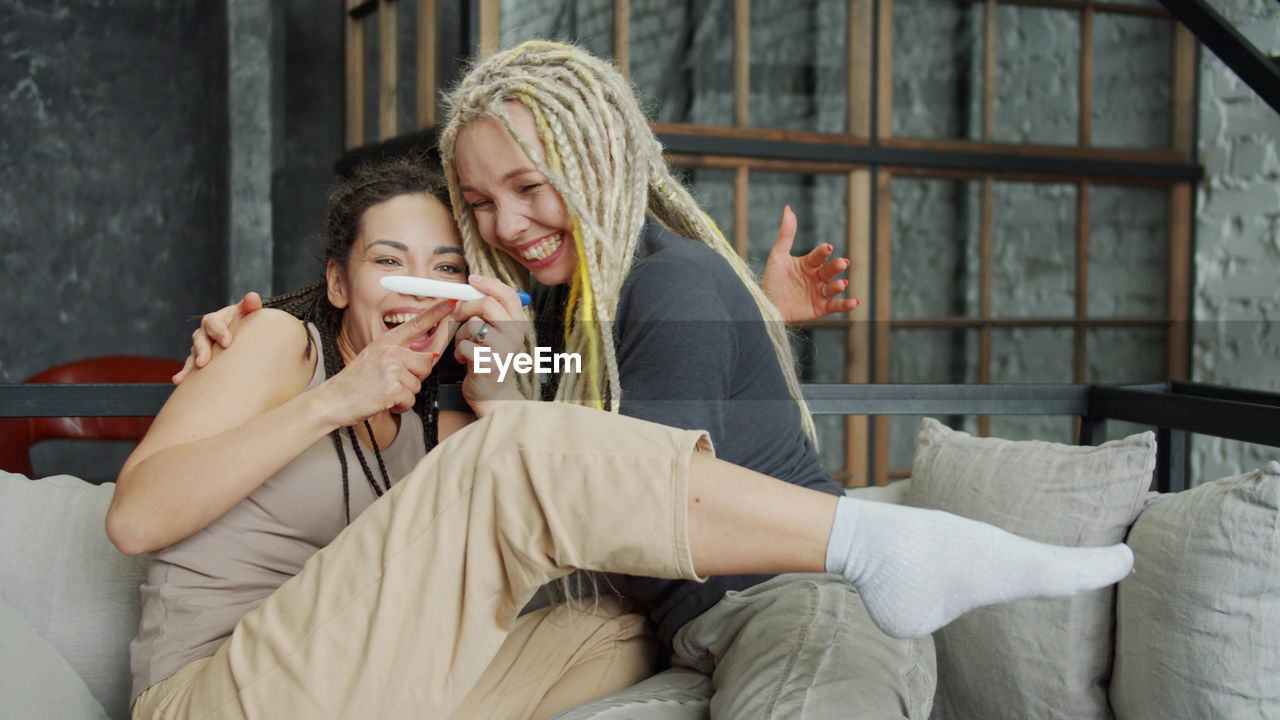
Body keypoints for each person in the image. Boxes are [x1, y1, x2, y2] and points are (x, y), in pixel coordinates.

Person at [188, 41, 1135, 719]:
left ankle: (893, 548)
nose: (509, 224)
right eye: (481, 203)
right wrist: (272, 331)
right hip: (694, 630)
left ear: (600, 159)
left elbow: (624, 504)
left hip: (789, 602)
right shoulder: (561, 308)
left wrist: (719, 314)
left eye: (531, 186)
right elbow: (551, 419)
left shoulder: (667, 282)